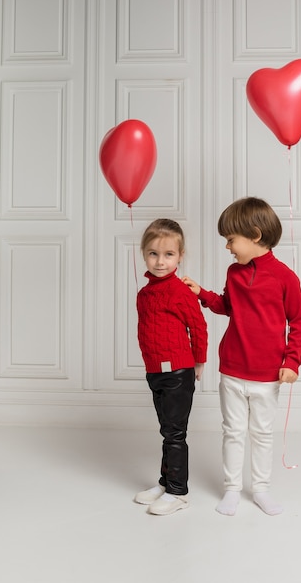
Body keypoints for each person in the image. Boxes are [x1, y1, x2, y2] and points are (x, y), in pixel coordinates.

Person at [182, 197, 301, 516]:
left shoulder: (285, 277)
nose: (227, 247)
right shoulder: (234, 273)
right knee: (233, 431)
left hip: (268, 375)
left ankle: (262, 489)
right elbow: (228, 305)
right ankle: (232, 490)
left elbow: (300, 322)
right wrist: (202, 294)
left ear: (254, 235)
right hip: (232, 371)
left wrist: (292, 361)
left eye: (230, 240)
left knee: (263, 434)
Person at [134, 218, 208, 516]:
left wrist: (199, 360)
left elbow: (198, 327)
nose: (160, 261)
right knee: (167, 430)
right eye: (153, 253)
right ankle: (166, 483)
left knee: (175, 433)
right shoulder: (145, 294)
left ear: (180, 256)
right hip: (156, 371)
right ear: (143, 254)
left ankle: (178, 491)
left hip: (178, 371)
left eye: (168, 255)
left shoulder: (179, 292)